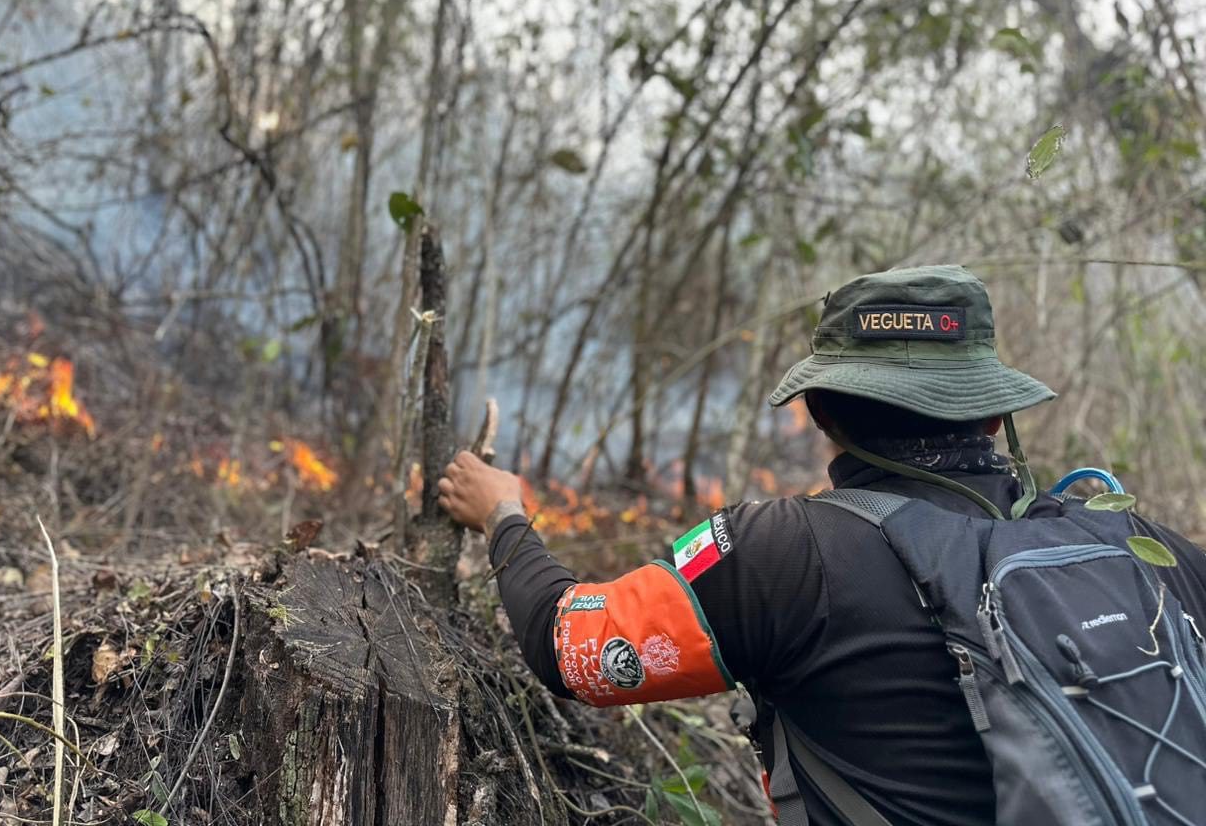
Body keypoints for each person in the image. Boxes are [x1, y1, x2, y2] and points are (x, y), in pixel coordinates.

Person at [438, 265, 1206, 826]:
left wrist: (504, 516)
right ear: (994, 414)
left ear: (818, 412)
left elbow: (568, 645)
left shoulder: (783, 552)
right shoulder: (1138, 544)